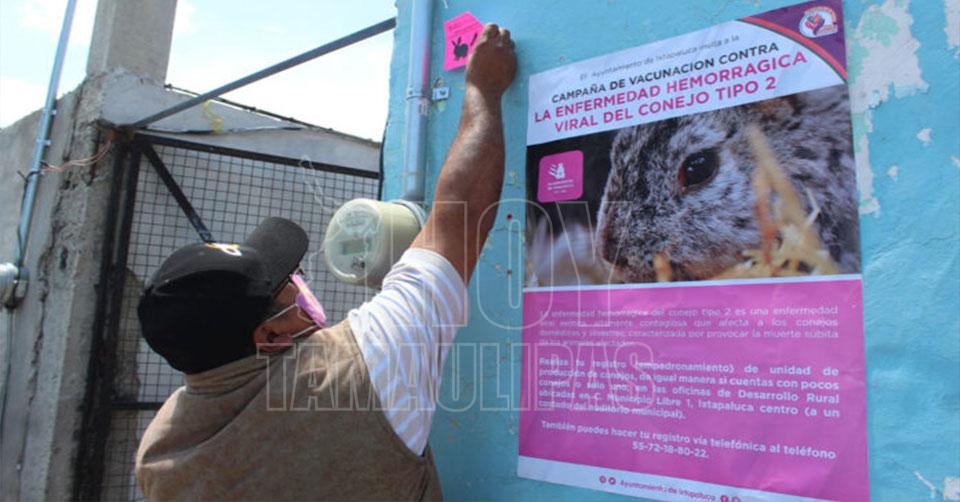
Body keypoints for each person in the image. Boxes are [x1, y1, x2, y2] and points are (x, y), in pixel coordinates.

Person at [134, 23, 516, 501]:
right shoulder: (362, 370)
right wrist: (483, 88)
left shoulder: (161, 452)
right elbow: (456, 221)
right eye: (286, 284)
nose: (300, 279)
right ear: (270, 336)